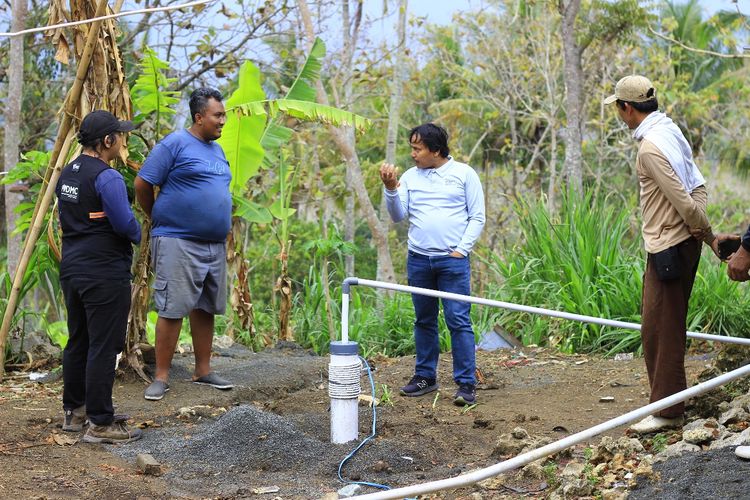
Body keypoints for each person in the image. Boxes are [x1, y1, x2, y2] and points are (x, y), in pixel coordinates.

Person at [604, 75, 721, 434]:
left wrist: (707, 235)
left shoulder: (650, 147)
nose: (620, 115)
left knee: (661, 331)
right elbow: (698, 185)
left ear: (627, 109)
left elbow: (685, 202)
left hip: (669, 246)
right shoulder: (670, 129)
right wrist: (698, 233)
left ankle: (668, 411)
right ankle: (666, 403)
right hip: (677, 241)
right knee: (659, 326)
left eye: (619, 109)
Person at [135, 88, 234, 401]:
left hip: (213, 244)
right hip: (178, 240)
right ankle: (161, 376)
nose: (223, 121)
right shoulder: (175, 144)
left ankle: (202, 370)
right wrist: (159, 218)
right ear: (199, 116)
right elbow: (142, 183)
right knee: (173, 306)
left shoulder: (217, 151)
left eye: (224, 114)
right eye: (218, 115)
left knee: (206, 307)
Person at [379, 123, 486, 406]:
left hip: (452, 262)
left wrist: (461, 251)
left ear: (435, 150)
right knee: (424, 319)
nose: (413, 154)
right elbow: (397, 216)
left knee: (458, 320)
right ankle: (425, 377)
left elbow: (477, 217)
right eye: (412, 148)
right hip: (419, 260)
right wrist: (391, 189)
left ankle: (465, 384)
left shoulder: (464, 174)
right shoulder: (410, 177)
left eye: (418, 149)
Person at [56, 110, 142, 443]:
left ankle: (74, 414)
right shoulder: (107, 177)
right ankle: (101, 423)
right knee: (104, 346)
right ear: (107, 141)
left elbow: (68, 219)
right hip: (103, 270)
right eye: (119, 136)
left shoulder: (68, 173)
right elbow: (124, 224)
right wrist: (137, 232)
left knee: (78, 339)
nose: (122, 141)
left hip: (73, 267)